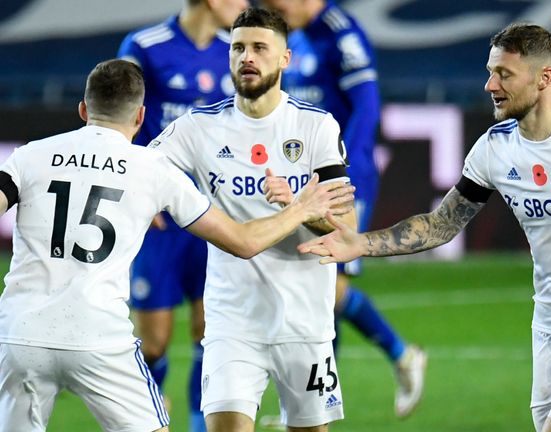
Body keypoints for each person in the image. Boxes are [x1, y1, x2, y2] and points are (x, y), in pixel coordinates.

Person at [299, 23, 551, 432]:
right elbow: (442, 224)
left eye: (504, 74)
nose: (490, 84)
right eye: (490, 72)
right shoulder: (494, 149)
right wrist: (362, 243)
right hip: (549, 329)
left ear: (544, 78)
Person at [0, 59, 353, 432]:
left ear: (83, 110)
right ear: (140, 117)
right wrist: (299, 210)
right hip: (100, 339)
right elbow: (243, 242)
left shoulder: (32, 155)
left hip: (22, 336)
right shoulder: (153, 170)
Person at [146, 7, 357, 431]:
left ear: (285, 59)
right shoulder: (198, 127)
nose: (247, 57)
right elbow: (138, 170)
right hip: (232, 323)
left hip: (305, 325)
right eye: (238, 47)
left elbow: (345, 229)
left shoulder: (316, 127)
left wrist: (296, 203)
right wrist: (148, 199)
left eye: (260, 48)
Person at [262, 0, 427, 418]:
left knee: (328, 288)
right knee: (318, 289)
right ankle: (312, 405)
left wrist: (344, 172)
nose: (270, 8)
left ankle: (400, 356)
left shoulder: (340, 31)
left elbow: (367, 104)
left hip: (341, 178)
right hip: (302, 178)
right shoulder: (293, 34)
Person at [117, 1, 247, 430]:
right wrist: (134, 186)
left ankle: (197, 422)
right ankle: (148, 414)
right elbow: (117, 118)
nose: (246, 5)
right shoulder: (145, 46)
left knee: (210, 329)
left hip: (212, 213)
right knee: (153, 340)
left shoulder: (238, 50)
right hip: (159, 218)